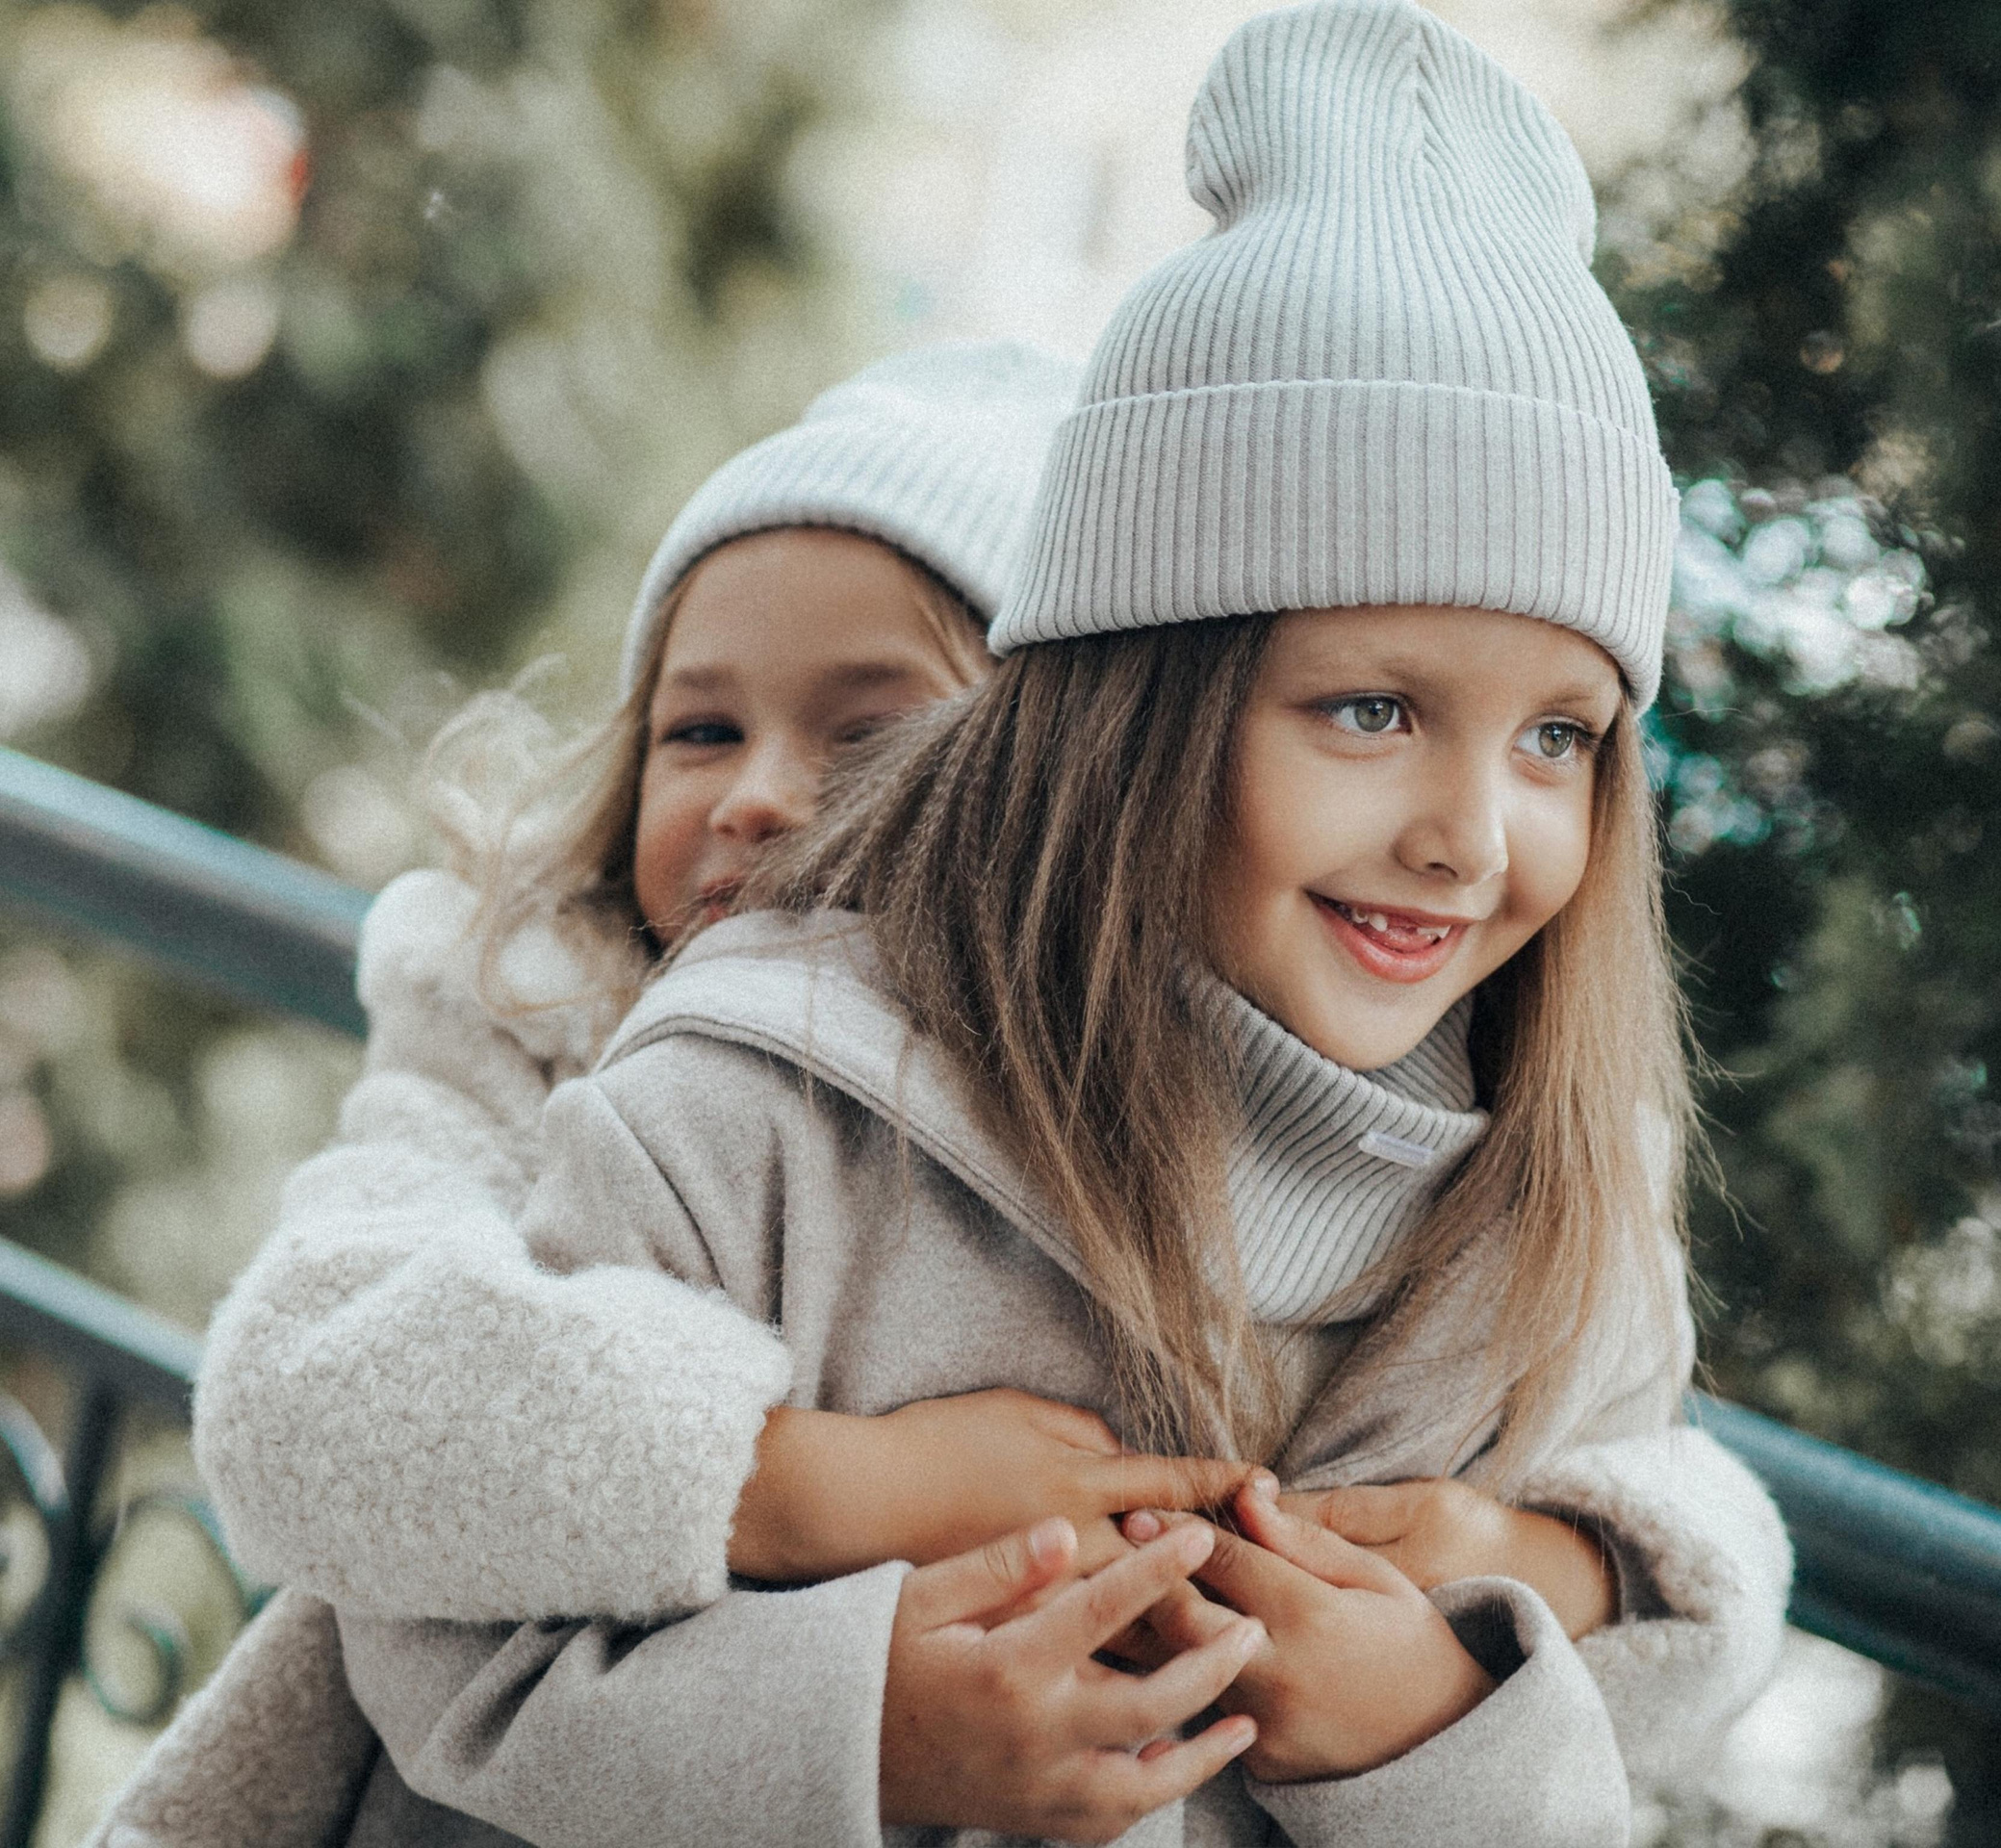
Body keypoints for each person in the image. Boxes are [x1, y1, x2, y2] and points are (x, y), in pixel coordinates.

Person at [321, 5, 1792, 1844]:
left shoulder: (1555, 1221)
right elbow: (451, 1668)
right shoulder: (755, 1109)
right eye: (1371, 710)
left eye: (1559, 739)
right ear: (1139, 704)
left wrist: (1439, 1723)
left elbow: (1641, 1686)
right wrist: (850, 1741)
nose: (1467, 838)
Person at [90, 339, 1257, 1847]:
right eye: (700, 729)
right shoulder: (523, 1021)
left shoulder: (1155, 1145)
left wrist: (1558, 1560)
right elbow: (298, 1398)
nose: (756, 792)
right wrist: (828, 1488)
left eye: (873, 732)